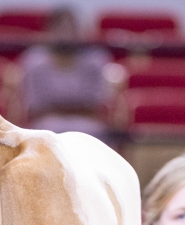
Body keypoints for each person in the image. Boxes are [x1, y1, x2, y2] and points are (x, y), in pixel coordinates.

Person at [11, 8, 111, 136]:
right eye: (61, 29)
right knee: (47, 129)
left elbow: (96, 107)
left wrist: (63, 109)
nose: (66, 35)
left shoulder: (95, 61)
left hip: (87, 123)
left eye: (71, 29)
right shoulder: (34, 61)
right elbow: (36, 109)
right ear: (49, 31)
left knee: (92, 131)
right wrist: (71, 108)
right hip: (47, 123)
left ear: (80, 31)